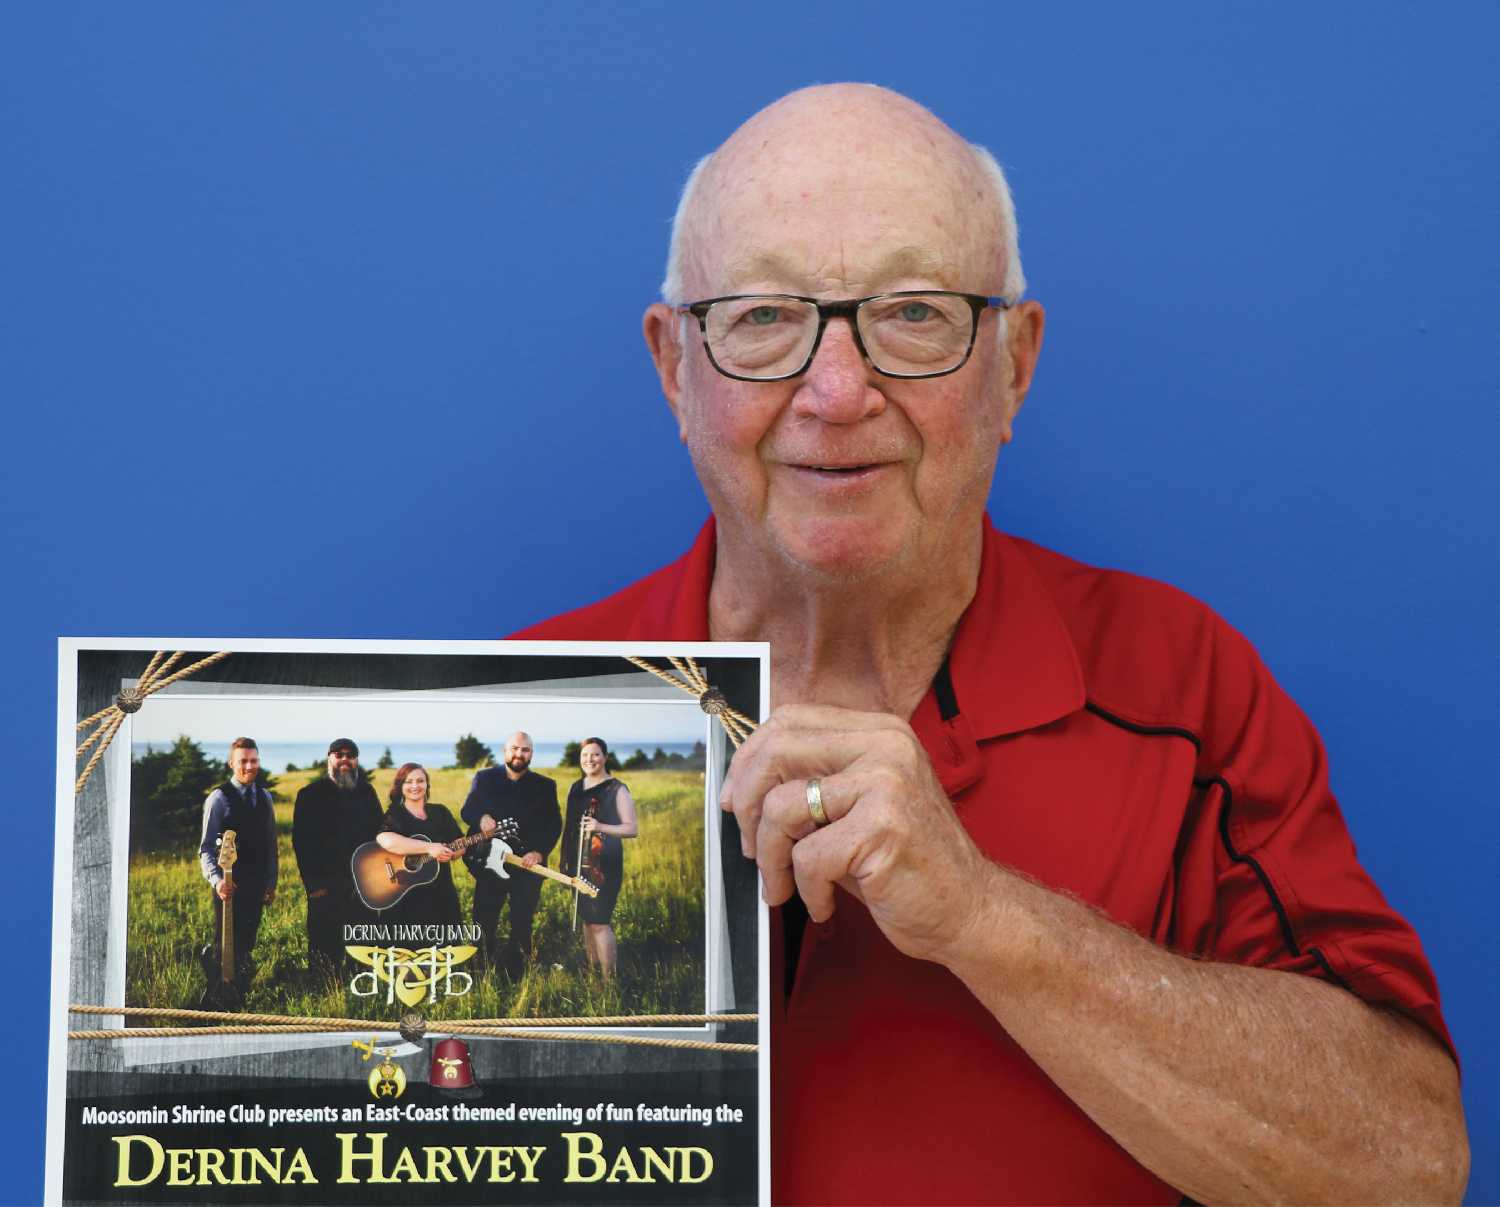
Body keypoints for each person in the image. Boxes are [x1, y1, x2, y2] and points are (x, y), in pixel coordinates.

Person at [516, 85, 1469, 1202]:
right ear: (676, 368)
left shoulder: (1182, 687)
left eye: (915, 312)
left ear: (1014, 364)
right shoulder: (522, 703)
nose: (836, 390)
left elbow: (1410, 1167)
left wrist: (983, 914)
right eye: (765, 316)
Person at [460, 731, 562, 978]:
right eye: (515, 748)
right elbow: (468, 809)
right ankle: (480, 970)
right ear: (505, 751)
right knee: (483, 919)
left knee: (522, 920)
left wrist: (539, 852)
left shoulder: (545, 785)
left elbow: (554, 824)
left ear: (531, 754)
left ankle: (516, 973)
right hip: (490, 864)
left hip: (527, 866)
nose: (519, 754)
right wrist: (481, 817)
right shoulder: (484, 778)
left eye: (525, 750)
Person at [291, 737, 383, 972]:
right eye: (339, 755)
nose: (345, 759)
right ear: (329, 759)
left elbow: (379, 835)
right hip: (324, 887)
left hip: (362, 885)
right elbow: (301, 844)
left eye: (350, 755)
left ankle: (360, 992)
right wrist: (314, 887)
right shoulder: (310, 794)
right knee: (324, 955)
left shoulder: (367, 792)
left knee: (363, 952)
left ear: (356, 761)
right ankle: (324, 995)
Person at [197, 737, 277, 988]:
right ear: (232, 763)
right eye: (243, 761)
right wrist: (217, 881)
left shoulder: (265, 797)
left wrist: (270, 883)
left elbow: (271, 845)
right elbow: (206, 848)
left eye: (253, 760)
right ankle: (219, 992)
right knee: (225, 945)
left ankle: (240, 989)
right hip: (228, 886)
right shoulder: (218, 799)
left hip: (256, 883)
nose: (249, 766)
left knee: (247, 941)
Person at [558, 738, 637, 977]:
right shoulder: (576, 787)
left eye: (595, 755)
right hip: (577, 864)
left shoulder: (617, 789)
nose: (589, 760)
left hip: (603, 866)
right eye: (585, 756)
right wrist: (564, 861)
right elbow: (570, 827)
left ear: (605, 757)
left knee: (600, 922)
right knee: (586, 919)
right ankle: (592, 973)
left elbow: (631, 829)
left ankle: (608, 982)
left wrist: (600, 825)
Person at [374, 763, 461, 930]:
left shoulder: (440, 812)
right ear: (401, 786)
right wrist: (429, 848)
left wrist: (451, 853)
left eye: (420, 781)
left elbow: (459, 843)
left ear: (427, 784)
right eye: (409, 781)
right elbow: (386, 839)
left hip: (440, 892)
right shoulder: (395, 813)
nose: (415, 786)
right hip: (404, 894)